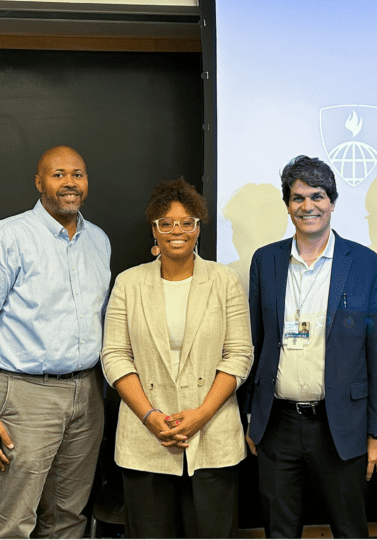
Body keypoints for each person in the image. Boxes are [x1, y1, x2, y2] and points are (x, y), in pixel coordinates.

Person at [0, 145, 111, 539]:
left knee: (69, 517)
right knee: (13, 521)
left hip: (88, 395)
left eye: (78, 173)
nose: (70, 182)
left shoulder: (99, 241)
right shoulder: (8, 237)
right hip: (24, 398)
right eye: (58, 174)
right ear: (39, 182)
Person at [244, 155, 377, 539]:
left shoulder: (368, 266)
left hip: (340, 424)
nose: (308, 206)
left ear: (332, 201)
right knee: (279, 531)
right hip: (277, 424)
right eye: (298, 198)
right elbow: (257, 341)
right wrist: (252, 416)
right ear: (287, 204)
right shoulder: (266, 261)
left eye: (317, 196)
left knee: (349, 530)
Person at [100, 177, 253, 538]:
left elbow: (239, 355)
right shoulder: (128, 283)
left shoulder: (225, 280)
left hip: (213, 435)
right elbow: (115, 356)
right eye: (166, 223)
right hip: (146, 437)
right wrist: (150, 416)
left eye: (187, 223)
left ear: (199, 228)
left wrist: (201, 415)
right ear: (154, 229)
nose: (177, 231)